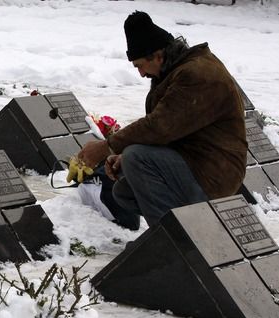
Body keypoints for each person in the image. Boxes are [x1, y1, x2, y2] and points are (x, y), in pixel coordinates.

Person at [78, 11, 247, 227]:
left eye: (139, 65)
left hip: (214, 174)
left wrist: (107, 146)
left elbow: (160, 126)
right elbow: (176, 128)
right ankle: (188, 228)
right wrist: (122, 156)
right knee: (124, 192)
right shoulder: (179, 69)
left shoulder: (196, 74)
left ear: (158, 56)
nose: (140, 74)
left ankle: (175, 242)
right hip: (196, 162)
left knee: (137, 157)